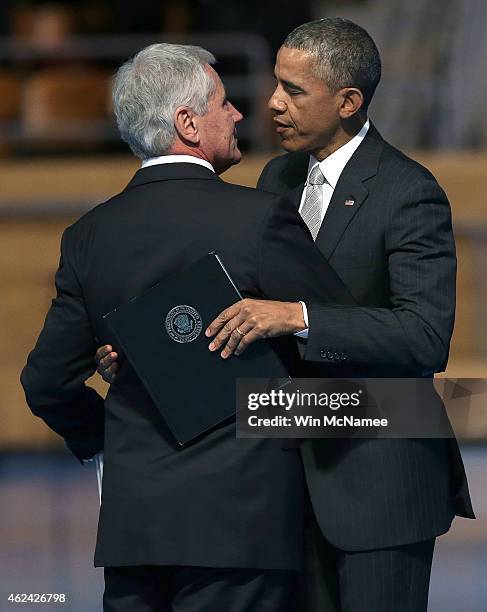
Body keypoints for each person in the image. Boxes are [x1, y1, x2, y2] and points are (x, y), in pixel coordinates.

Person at [98, 19, 474, 612]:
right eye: (276, 83)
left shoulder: (410, 191)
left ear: (348, 102)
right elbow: (235, 310)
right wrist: (147, 353)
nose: (272, 102)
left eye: (294, 91)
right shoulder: (276, 178)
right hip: (284, 485)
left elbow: (425, 338)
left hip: (380, 486)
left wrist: (297, 316)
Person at [20, 43, 354, 612]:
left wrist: (109, 438)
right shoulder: (258, 218)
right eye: (224, 103)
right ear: (188, 122)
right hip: (242, 528)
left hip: (136, 529)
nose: (240, 114)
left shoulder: (87, 236)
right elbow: (341, 336)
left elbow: (45, 382)